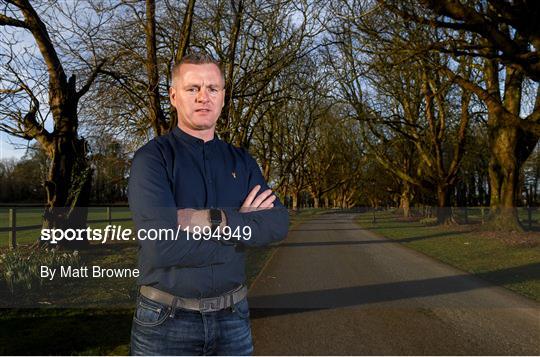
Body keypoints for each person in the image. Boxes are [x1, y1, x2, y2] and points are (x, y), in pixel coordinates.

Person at [128, 52, 289, 355]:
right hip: (165, 323)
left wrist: (216, 220)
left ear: (223, 97)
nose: (204, 97)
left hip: (233, 319)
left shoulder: (242, 161)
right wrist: (243, 228)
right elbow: (161, 246)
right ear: (174, 96)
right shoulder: (152, 160)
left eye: (212, 89)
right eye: (193, 89)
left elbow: (278, 223)